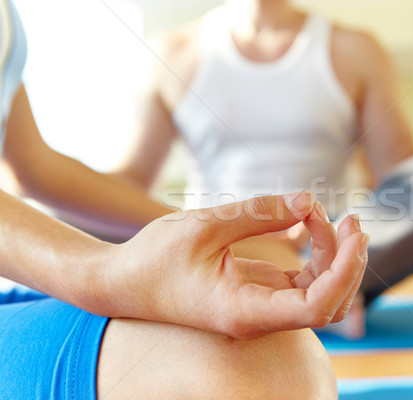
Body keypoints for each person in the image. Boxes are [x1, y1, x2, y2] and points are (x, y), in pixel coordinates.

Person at [0, 0, 368, 398]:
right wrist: (103, 273)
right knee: (257, 371)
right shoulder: (177, 52)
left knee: (275, 360)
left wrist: (189, 237)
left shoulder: (356, 49)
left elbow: (33, 169)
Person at [113, 0, 413, 336]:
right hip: (217, 248)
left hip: (323, 246)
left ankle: (320, 287)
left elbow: (403, 179)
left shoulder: (355, 50)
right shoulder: (173, 53)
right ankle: (291, 298)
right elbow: (128, 183)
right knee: (85, 216)